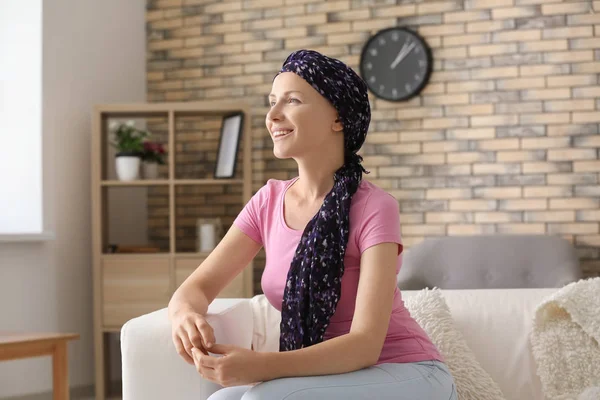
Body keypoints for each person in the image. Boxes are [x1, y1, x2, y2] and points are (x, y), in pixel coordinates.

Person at [168, 49, 457, 400]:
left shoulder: (374, 207)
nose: (273, 115)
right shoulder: (268, 201)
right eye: (272, 102)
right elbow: (196, 288)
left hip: (407, 372)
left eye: (292, 101)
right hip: (327, 377)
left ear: (338, 117)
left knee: (261, 398)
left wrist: (260, 366)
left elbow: (365, 345)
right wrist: (185, 315)